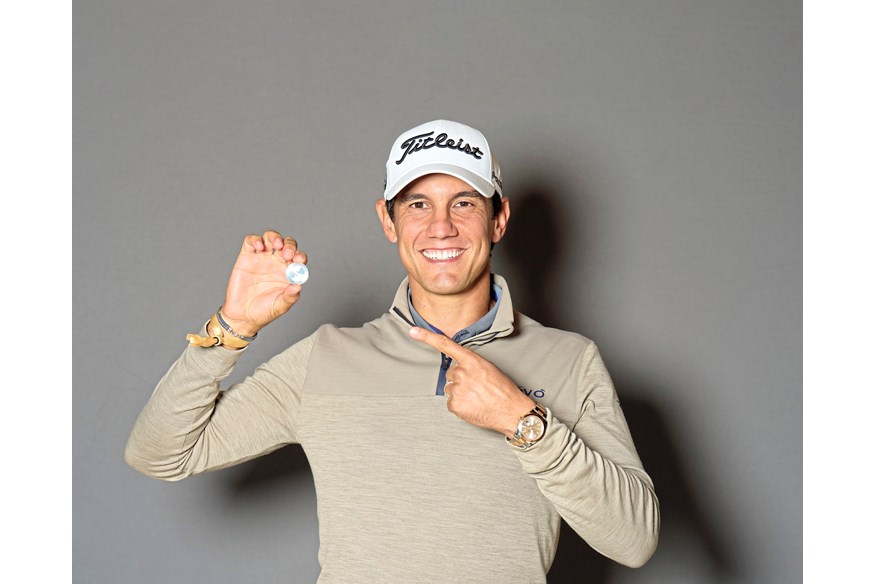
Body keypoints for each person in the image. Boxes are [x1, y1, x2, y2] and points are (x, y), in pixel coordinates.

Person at [125, 119, 660, 582]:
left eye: (465, 203)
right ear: (389, 220)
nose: (441, 226)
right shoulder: (327, 358)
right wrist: (231, 328)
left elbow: (634, 542)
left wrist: (525, 421)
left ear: (498, 220)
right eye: (418, 203)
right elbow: (159, 454)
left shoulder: (569, 360)